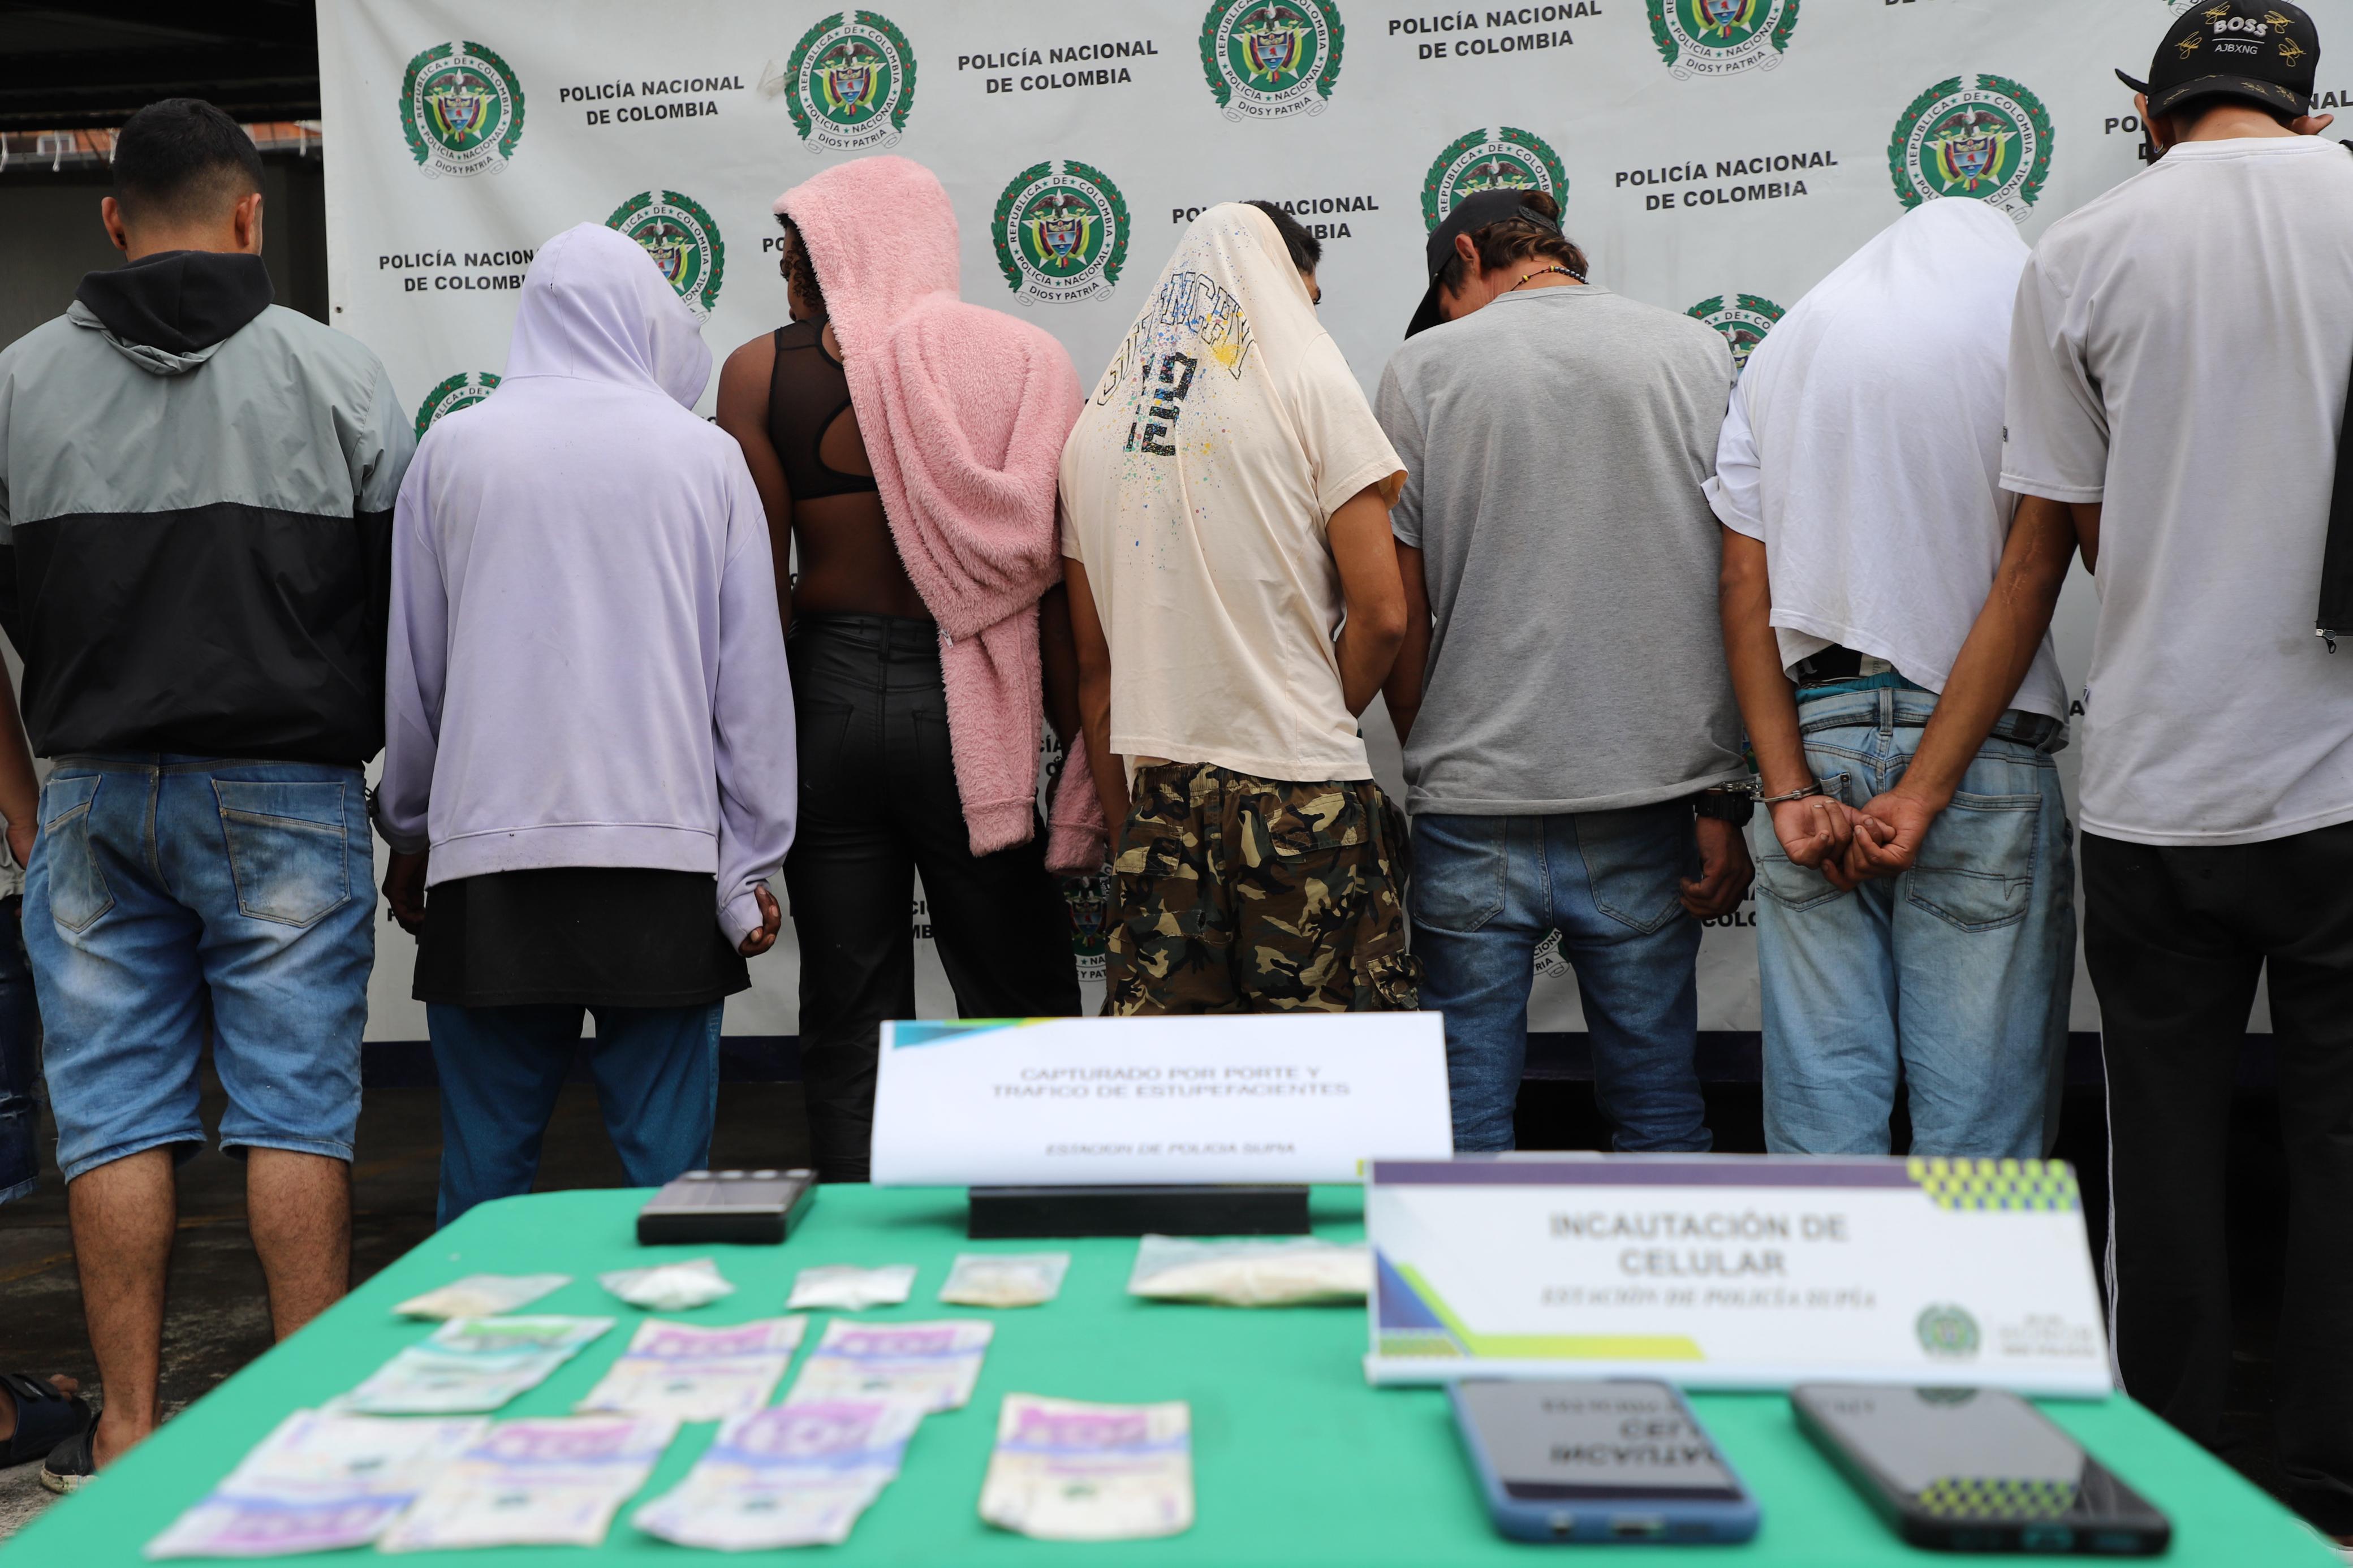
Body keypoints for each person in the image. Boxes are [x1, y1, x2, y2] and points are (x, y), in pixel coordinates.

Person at [1860, 1, 2353, 1539]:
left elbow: (2044, 557)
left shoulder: (2079, 253)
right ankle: (2333, 1490)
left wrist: (1924, 786)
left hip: (2157, 789)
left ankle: (2178, 1494)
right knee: (2342, 1150)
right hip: (2344, 786)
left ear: (2153, 112)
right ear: (2314, 110)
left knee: (2166, 1154)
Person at [0, 98, 413, 1490]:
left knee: (112, 1118)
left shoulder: (11, 390)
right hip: (289, 797)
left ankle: (124, 1427)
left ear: (109, 219)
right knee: (297, 1112)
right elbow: (398, 629)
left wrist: (23, 806)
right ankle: (307, 1423)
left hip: (91, 796)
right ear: (253, 217)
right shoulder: (343, 380)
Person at [377, 224, 798, 1226]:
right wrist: (745, 867)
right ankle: (681, 1371)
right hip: (662, 865)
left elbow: (416, 677)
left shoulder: (453, 450)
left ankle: (475, 1375)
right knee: (671, 1189)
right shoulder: (706, 459)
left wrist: (410, 834)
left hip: (488, 863)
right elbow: (751, 690)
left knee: (483, 1188)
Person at [716, 156, 1099, 1182]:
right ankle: (1039, 1207)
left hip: (824, 698)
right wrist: (1084, 747)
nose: (792, 273)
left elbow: (752, 594)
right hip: (969, 689)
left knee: (849, 1000)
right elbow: (1058, 574)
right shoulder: (1022, 358)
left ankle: (858, 1240)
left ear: (837, 252)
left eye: (799, 252)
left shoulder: (759, 373)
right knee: (1013, 981)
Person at [1378, 190, 1749, 1153]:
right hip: (1647, 795)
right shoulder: (1693, 353)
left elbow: (1396, 611)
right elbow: (1738, 584)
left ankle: (1456, 1305)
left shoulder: (1422, 370)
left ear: (1466, 254)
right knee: (1661, 1109)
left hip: (1471, 803)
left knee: (1461, 1127)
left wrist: (1431, 744)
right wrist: (1724, 795)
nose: (1455, 320)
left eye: (1449, 296)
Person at [1710, 198, 2074, 1159]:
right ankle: (1971, 1312)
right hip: (1978, 754)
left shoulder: (1790, 345)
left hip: (1816, 742)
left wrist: (1784, 787)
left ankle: (1834, 1312)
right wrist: (1925, 788)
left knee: (1822, 1109)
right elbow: (2030, 573)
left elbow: (1744, 583)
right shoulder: (2032, 318)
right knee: (1979, 1124)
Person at [1059, 201, 1419, 1016]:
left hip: (1156, 804)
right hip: (1303, 793)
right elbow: (1385, 615)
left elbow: (1097, 672)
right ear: (1277, 279)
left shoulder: (1092, 432)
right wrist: (1308, 712)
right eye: (1308, 295)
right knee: (1328, 1087)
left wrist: (1130, 832)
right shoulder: (1313, 385)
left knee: (1180, 1105)